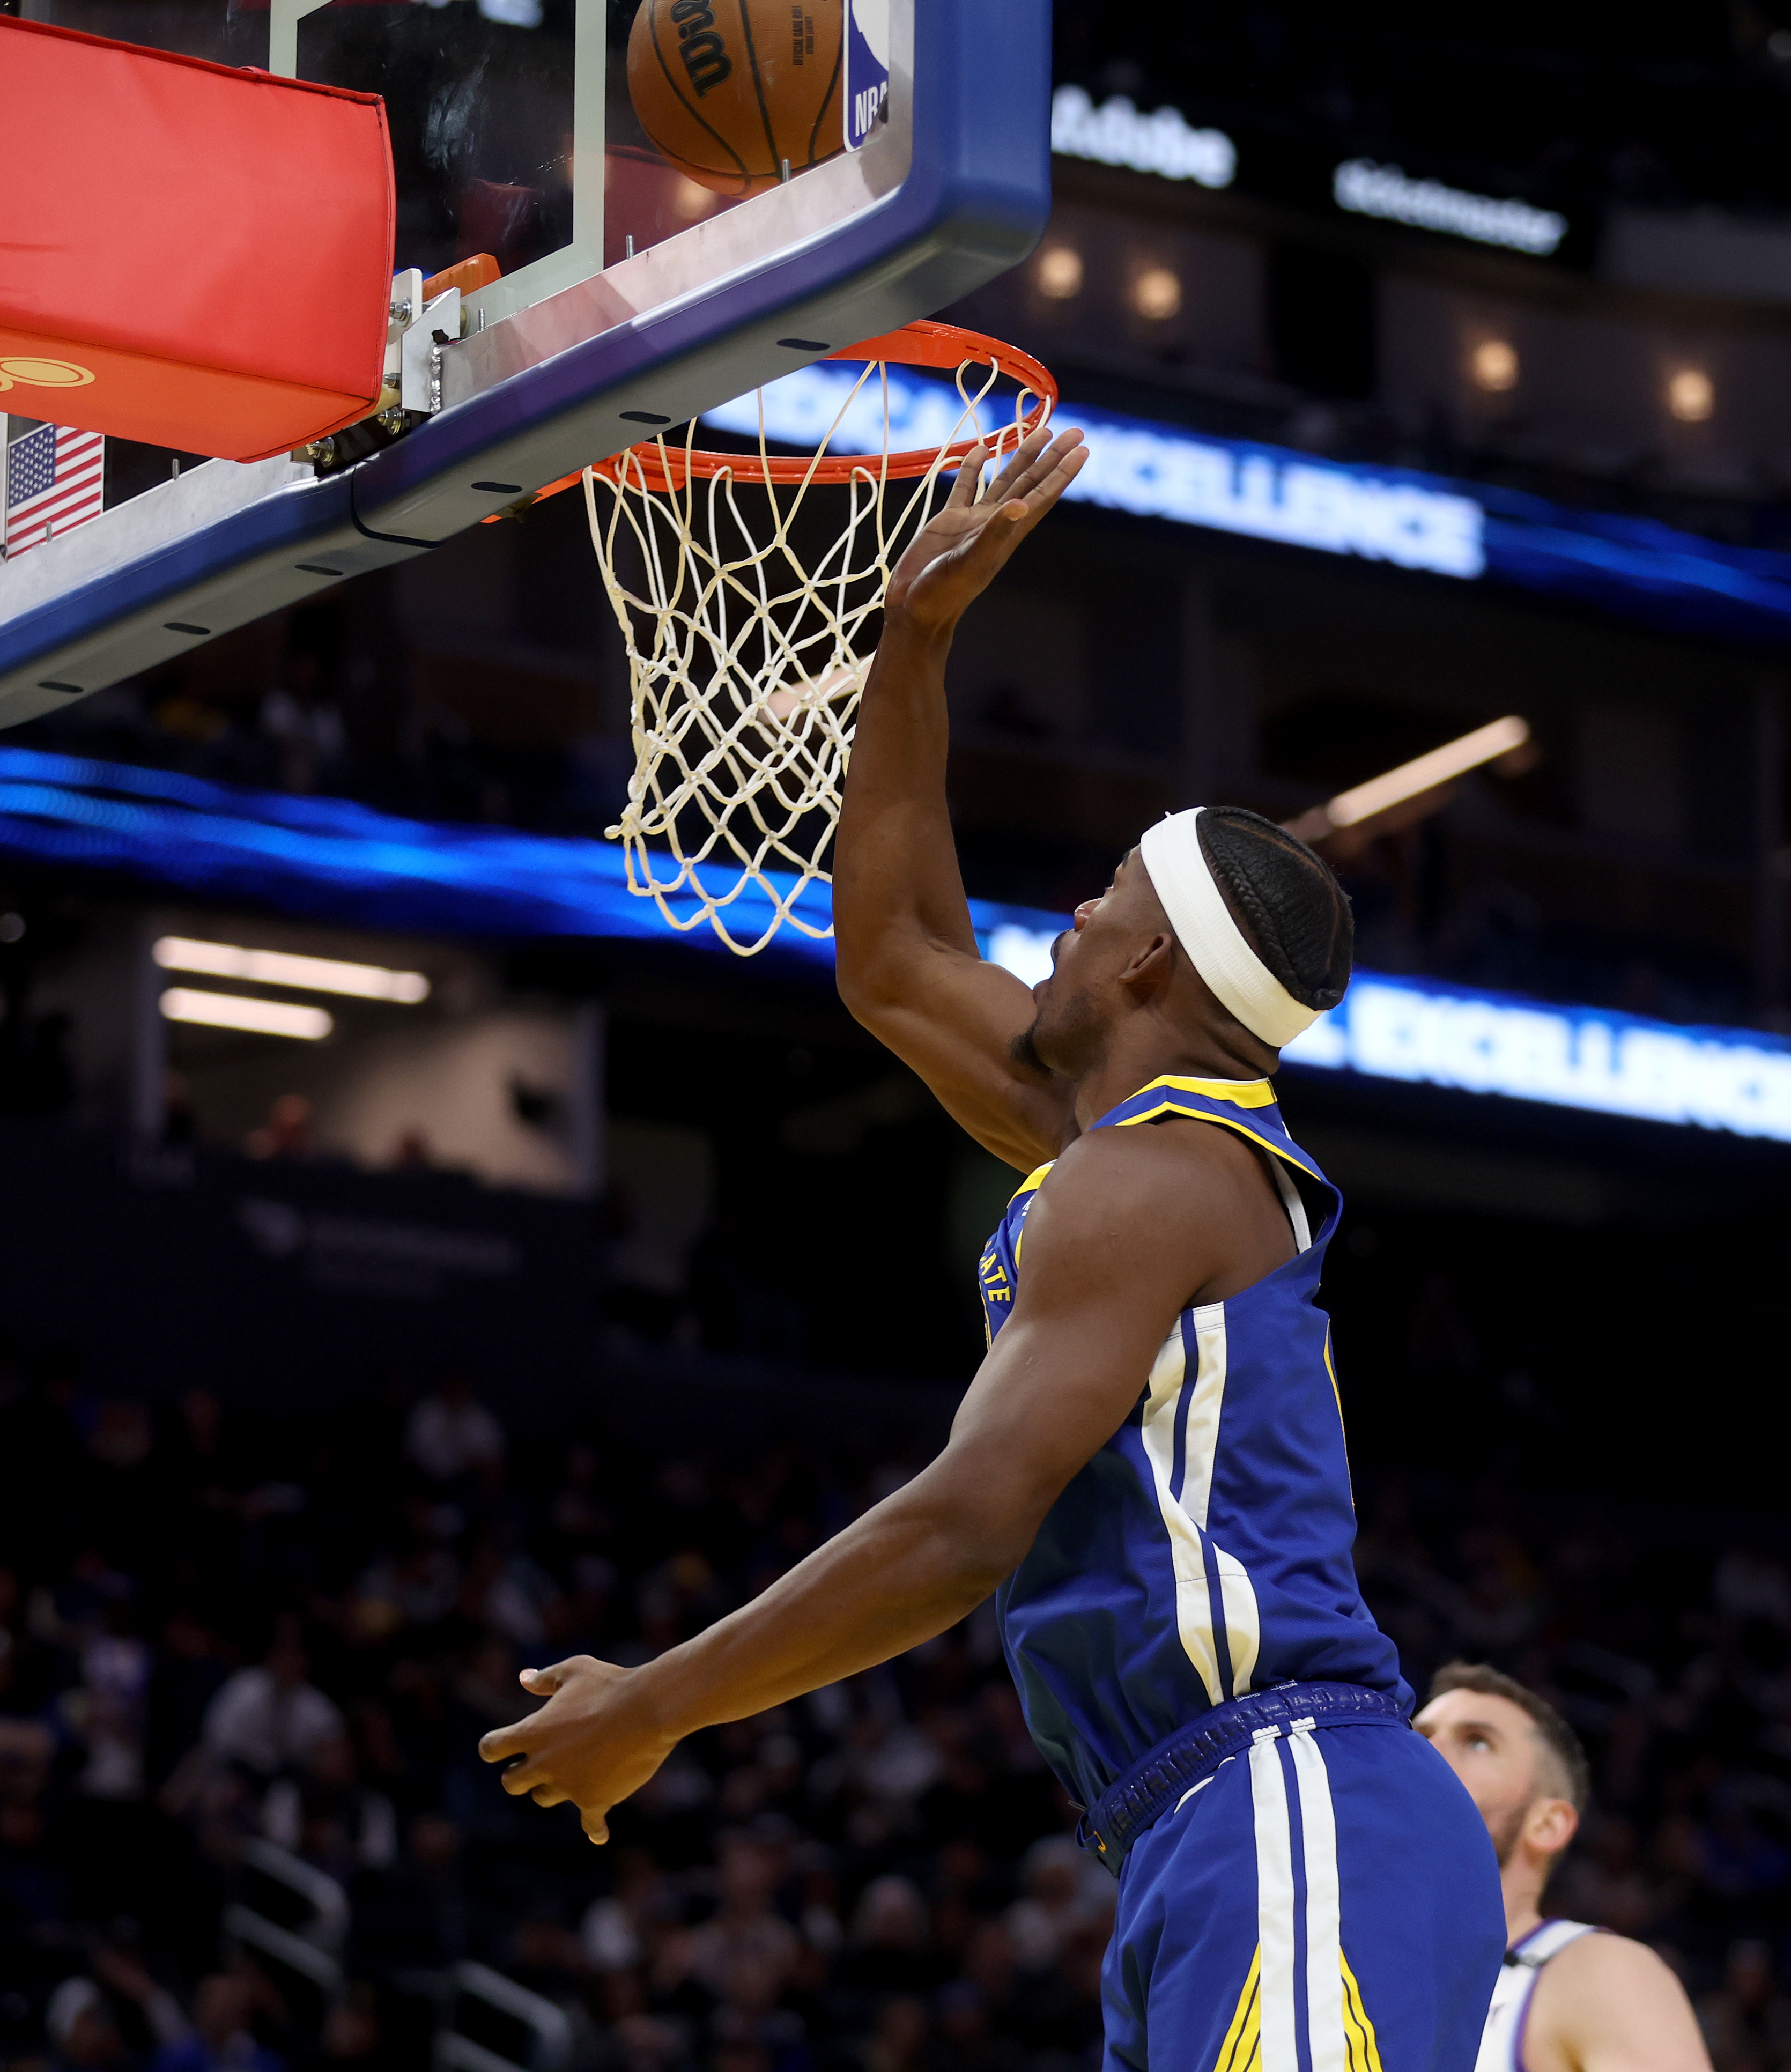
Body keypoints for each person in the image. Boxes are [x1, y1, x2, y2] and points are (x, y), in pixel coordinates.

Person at [478, 423, 1505, 2070]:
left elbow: (965, 1525)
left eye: (1102, 897)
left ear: (1157, 961)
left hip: (1289, 1793)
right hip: (1191, 1821)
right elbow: (887, 951)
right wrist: (915, 636)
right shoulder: (1116, 1152)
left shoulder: (1150, 1181)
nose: (1067, 917)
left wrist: (661, 1700)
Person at [1417, 1662, 1711, 2072]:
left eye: (1478, 1742)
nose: (1424, 1750)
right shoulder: (1324, 1961)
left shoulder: (1594, 1975)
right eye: (1419, 1735)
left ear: (1546, 1824)